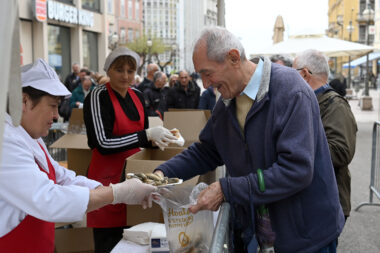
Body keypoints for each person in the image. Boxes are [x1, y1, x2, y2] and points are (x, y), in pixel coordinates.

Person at [154, 27, 344, 252]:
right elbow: (206, 151)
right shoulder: (226, 103)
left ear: (233, 58)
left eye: (207, 73)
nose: (205, 84)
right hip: (262, 235)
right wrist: (161, 175)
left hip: (307, 237)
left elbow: (297, 170)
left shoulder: (291, 90)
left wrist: (227, 189)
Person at [0, 58, 157, 253]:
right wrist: (116, 193)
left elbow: (62, 177)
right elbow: (48, 199)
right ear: (24, 101)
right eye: (52, 106)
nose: (57, 115)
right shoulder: (5, 142)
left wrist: (115, 190)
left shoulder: (30, 135)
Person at [83, 47, 177, 253]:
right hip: (107, 183)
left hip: (135, 179)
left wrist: (160, 139)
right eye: (119, 70)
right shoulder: (98, 97)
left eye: (130, 70)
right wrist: (147, 136)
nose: (126, 76)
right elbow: (103, 143)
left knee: (138, 242)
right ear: (108, 71)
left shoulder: (137, 95)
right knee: (109, 243)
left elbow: (140, 139)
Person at [293, 49, 357, 221]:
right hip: (315, 200)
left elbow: (341, 152)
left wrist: (294, 144)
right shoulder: (310, 101)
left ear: (305, 74)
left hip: (328, 203)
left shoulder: (335, 105)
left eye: (293, 74)